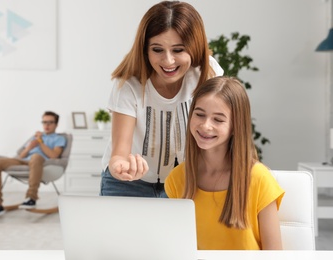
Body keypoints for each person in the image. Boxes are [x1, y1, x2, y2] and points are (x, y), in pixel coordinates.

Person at [100, 1, 224, 198]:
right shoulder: (129, 84)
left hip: (184, 179)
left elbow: (221, 129)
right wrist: (119, 167)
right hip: (129, 184)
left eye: (178, 50)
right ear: (145, 49)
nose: (168, 61)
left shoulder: (206, 73)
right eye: (157, 50)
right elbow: (119, 153)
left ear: (194, 47)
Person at [165, 76, 285, 250]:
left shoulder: (259, 179)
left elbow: (275, 255)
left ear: (236, 126)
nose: (206, 126)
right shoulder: (178, 178)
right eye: (199, 114)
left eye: (218, 119)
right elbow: (174, 246)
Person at [0, 111, 66, 219]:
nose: (46, 125)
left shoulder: (59, 138)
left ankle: (31, 198)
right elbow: (21, 155)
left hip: (41, 162)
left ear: (56, 124)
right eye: (44, 122)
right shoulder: (35, 137)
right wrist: (30, 147)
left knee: (36, 156)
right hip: (24, 161)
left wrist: (40, 142)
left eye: (50, 122)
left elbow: (54, 155)